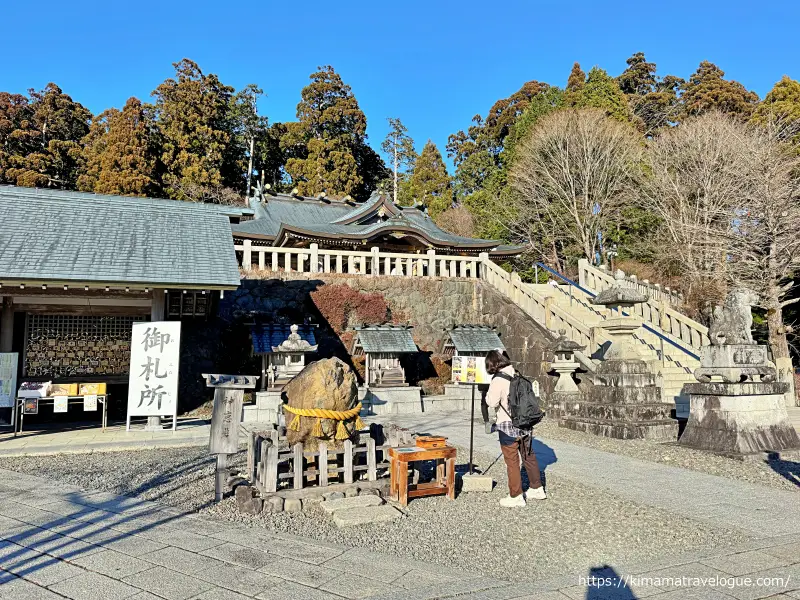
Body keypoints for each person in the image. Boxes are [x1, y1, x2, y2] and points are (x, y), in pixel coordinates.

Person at [484, 350, 546, 507]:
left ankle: (516, 495)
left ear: (492, 364)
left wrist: (487, 394)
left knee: (512, 461)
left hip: (507, 425)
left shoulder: (498, 379)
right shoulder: (517, 374)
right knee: (528, 456)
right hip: (525, 423)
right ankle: (537, 488)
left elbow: (491, 402)